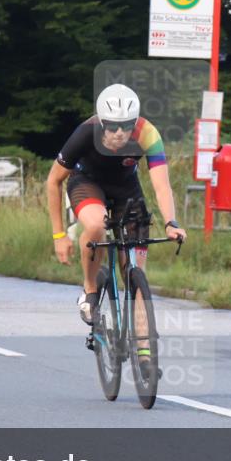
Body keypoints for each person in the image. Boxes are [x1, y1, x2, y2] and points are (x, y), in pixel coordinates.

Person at [46, 83, 187, 325]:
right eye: (112, 126)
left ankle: (145, 357)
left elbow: (162, 185)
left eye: (127, 125)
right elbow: (53, 181)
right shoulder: (86, 131)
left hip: (126, 189)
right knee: (97, 226)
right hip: (87, 183)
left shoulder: (147, 134)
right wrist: (59, 235)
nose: (120, 132)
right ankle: (90, 290)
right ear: (102, 122)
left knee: (135, 273)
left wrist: (170, 223)